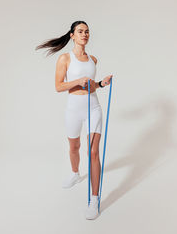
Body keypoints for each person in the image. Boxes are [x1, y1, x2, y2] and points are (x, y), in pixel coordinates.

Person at [35, 21, 112, 220]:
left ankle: (94, 200)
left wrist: (101, 84)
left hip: (93, 108)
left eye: (87, 32)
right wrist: (78, 81)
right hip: (74, 109)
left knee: (93, 152)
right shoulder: (64, 58)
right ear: (72, 35)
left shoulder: (93, 59)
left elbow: (92, 85)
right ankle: (75, 173)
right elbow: (58, 86)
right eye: (80, 31)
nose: (84, 34)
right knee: (74, 146)